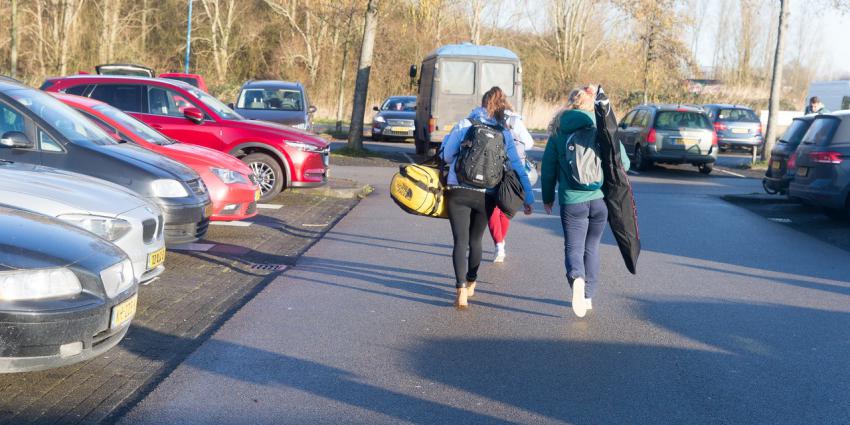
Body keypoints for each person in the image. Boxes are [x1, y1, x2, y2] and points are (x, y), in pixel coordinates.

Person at [441, 87, 535, 309]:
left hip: (459, 190)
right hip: (488, 194)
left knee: (460, 242)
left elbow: (446, 156)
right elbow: (518, 168)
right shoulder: (504, 133)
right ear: (503, 105)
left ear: (482, 104)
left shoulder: (466, 124)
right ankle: (472, 282)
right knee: (476, 240)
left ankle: (460, 288)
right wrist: (528, 199)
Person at [541, 86, 630, 318]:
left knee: (573, 246)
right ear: (592, 105)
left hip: (572, 201)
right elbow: (625, 164)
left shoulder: (559, 129)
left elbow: (548, 169)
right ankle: (588, 295)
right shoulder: (602, 128)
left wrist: (548, 197)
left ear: (570, 103)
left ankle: (576, 278)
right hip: (599, 201)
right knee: (592, 247)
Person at [488, 107, 536, 263]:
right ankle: (500, 241)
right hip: (513, 172)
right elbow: (528, 143)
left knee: (492, 209)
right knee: (506, 208)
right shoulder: (515, 120)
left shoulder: (486, 117)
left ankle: (499, 244)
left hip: (493, 169)